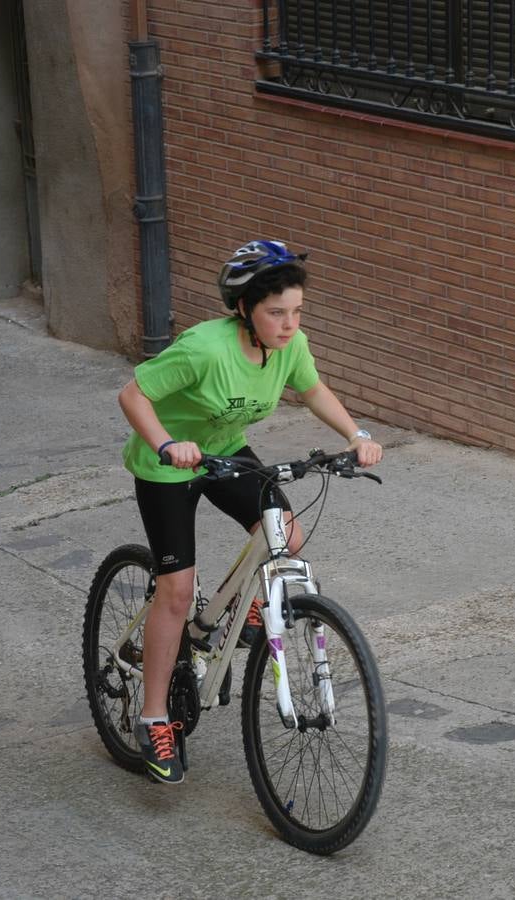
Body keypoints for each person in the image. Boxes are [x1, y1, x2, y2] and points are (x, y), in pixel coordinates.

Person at [117, 239, 383, 784]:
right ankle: (153, 719)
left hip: (224, 449)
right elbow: (133, 396)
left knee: (289, 534)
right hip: (169, 463)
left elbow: (313, 391)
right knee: (175, 588)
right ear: (244, 309)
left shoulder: (290, 346)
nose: (289, 325)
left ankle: (240, 616)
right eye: (276, 313)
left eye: (296, 312)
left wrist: (356, 434)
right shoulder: (204, 350)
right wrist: (169, 444)